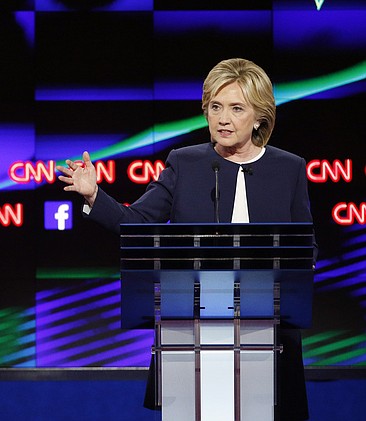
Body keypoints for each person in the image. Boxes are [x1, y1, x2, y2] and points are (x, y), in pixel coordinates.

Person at [58, 58, 313, 420]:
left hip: (267, 330)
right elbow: (138, 222)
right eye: (215, 107)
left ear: (259, 117)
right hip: (191, 327)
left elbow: (305, 246)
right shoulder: (185, 162)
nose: (222, 119)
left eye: (236, 108)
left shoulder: (289, 168)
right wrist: (94, 197)